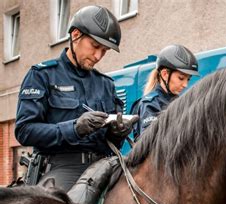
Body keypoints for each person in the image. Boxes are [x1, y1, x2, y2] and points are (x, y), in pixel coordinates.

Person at [15, 5, 137, 191]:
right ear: (75, 35)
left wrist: (118, 132)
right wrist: (74, 129)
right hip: (62, 167)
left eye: (104, 51)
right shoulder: (43, 75)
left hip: (105, 165)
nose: (98, 56)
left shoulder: (106, 84)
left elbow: (111, 142)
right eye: (95, 46)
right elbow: (25, 130)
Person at [131, 44, 199, 139]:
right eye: (181, 78)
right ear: (165, 74)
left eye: (188, 79)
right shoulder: (150, 104)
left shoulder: (181, 103)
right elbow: (151, 144)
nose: (185, 85)